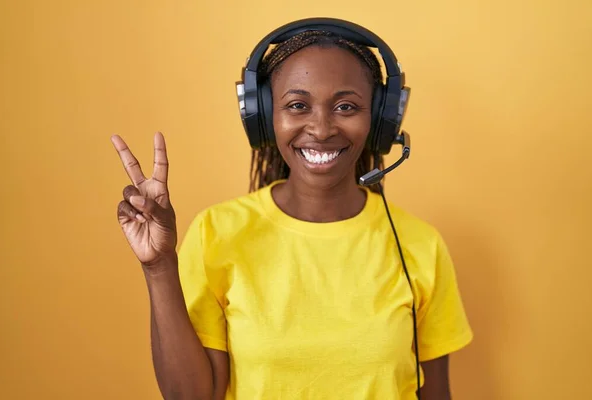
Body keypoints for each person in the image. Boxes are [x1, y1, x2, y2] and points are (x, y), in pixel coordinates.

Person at [112, 19, 473, 400]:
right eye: (297, 105)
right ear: (264, 116)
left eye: (346, 106)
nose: (320, 128)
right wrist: (159, 266)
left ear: (381, 120)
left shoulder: (421, 245)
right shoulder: (216, 232)